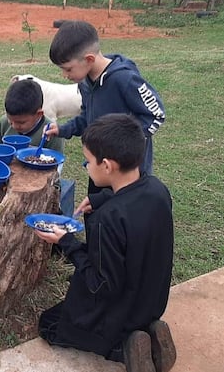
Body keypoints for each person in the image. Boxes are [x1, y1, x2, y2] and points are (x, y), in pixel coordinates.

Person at [33, 114, 177, 372]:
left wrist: (67, 243)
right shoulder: (158, 190)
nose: (86, 167)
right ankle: (149, 330)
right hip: (152, 302)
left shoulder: (107, 219)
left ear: (107, 165)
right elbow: (134, 208)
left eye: (87, 162)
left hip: (121, 311)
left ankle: (124, 349)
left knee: (50, 324)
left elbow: (101, 285)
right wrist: (103, 198)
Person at [44, 20, 166, 194]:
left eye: (68, 69)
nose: (65, 75)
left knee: (125, 216)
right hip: (99, 166)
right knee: (97, 214)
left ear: (89, 59)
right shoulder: (86, 82)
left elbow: (156, 114)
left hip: (127, 173)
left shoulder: (124, 79)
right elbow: (88, 117)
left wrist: (127, 145)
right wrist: (62, 130)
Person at [0, 78, 64, 153]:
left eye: (21, 122)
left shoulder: (51, 132)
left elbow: (57, 163)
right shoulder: (4, 122)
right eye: (10, 121)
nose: (14, 126)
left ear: (39, 114)